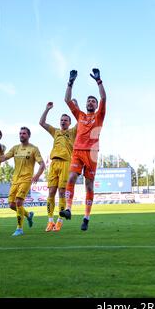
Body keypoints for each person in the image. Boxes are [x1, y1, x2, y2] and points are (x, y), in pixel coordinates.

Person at [59, 68, 106, 231]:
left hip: (92, 153)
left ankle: (86, 217)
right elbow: (66, 99)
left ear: (97, 105)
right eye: (89, 101)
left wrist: (99, 81)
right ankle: (69, 209)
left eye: (93, 101)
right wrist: (70, 82)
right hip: (78, 151)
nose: (91, 103)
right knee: (71, 178)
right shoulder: (80, 115)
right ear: (86, 104)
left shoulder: (99, 116)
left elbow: (104, 97)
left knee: (89, 186)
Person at [0, 127, 45, 236]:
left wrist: (37, 175)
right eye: (20, 133)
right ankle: (28, 215)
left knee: (19, 201)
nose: (21, 135)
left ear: (29, 135)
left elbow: (42, 164)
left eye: (24, 133)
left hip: (26, 179)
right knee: (11, 204)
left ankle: (19, 229)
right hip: (15, 179)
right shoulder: (15, 148)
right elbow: (3, 158)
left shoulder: (34, 149)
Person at [39, 101, 77, 232]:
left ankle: (60, 221)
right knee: (51, 192)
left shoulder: (72, 132)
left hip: (66, 163)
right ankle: (50, 221)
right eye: (62, 120)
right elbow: (42, 123)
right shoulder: (55, 131)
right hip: (54, 163)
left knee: (61, 192)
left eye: (66, 120)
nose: (63, 121)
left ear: (69, 123)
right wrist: (47, 109)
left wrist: (75, 107)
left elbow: (81, 121)